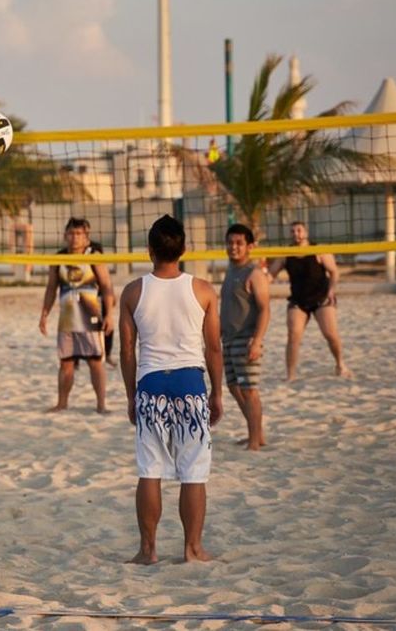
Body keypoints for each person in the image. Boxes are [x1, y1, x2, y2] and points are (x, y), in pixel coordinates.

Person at [119, 215, 223, 565]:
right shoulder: (203, 290)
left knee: (150, 470)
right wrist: (217, 393)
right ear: (184, 249)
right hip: (190, 383)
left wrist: (131, 396)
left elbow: (127, 351)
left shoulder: (134, 291)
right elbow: (213, 348)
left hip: (151, 384)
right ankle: (192, 548)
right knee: (193, 472)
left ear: (149, 249)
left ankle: (148, 550)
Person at [39, 217, 115, 413]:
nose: (75, 237)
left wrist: (109, 314)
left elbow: (107, 286)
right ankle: (62, 403)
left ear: (86, 237)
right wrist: (44, 314)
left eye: (79, 233)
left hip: (90, 317)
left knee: (95, 362)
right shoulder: (59, 258)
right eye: (71, 233)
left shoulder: (94, 256)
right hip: (67, 320)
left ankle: (101, 405)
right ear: (65, 235)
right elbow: (51, 289)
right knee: (65, 364)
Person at [268, 221, 351, 381]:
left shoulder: (318, 250)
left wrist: (331, 290)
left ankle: (340, 364)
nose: (296, 234)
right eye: (292, 231)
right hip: (298, 300)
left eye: (299, 230)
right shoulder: (285, 254)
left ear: (305, 232)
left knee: (330, 334)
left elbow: (334, 272)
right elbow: (270, 276)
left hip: (321, 297)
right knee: (293, 335)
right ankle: (291, 375)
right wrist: (258, 282)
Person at [220, 224, 270, 450]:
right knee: (233, 387)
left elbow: (265, 310)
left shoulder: (254, 273)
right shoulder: (231, 271)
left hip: (247, 338)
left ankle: (255, 441)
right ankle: (256, 433)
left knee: (249, 390)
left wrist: (257, 341)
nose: (234, 247)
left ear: (250, 246)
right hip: (229, 339)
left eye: (239, 243)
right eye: (230, 242)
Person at [89, 239, 117, 367]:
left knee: (107, 325)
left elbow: (107, 283)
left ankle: (107, 354)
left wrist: (112, 296)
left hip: (101, 296)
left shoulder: (98, 260)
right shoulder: (85, 259)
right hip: (90, 297)